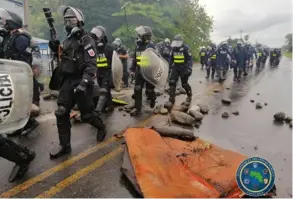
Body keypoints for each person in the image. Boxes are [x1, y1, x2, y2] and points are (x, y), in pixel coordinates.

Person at [48, 6, 106, 159]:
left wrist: (84, 83)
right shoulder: (67, 40)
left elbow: (91, 64)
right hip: (67, 81)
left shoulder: (86, 40)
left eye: (72, 19)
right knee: (61, 111)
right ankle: (65, 146)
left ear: (80, 21)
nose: (68, 22)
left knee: (86, 115)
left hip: (81, 81)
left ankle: (101, 127)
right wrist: (55, 48)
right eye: (66, 19)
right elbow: (63, 59)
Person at [0, 8, 39, 136]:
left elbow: (25, 60)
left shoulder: (20, 38)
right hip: (11, 77)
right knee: (15, 103)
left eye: (5, 22)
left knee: (23, 104)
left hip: (21, 78)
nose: (3, 24)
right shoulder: (9, 37)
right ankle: (18, 125)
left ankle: (31, 123)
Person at [129, 25, 157, 116]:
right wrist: (132, 70)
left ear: (145, 36)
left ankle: (153, 98)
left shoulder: (151, 46)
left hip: (149, 72)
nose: (138, 37)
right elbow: (134, 59)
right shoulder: (137, 47)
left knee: (149, 91)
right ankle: (138, 109)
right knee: (137, 89)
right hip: (139, 71)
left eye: (140, 35)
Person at [90, 26, 114, 114]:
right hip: (98, 72)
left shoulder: (109, 48)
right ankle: (110, 105)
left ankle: (98, 111)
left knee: (103, 91)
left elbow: (114, 62)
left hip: (107, 72)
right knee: (105, 91)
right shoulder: (94, 48)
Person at [164, 34, 192, 108]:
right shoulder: (173, 48)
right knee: (172, 82)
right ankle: (171, 100)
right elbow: (171, 59)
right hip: (176, 67)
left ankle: (189, 95)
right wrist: (169, 67)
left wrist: (189, 68)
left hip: (184, 68)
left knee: (184, 84)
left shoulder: (186, 48)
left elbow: (190, 59)